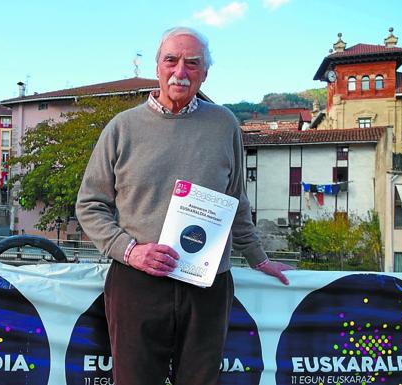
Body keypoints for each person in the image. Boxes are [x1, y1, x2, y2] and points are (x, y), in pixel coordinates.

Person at [76, 26, 293, 385]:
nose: (180, 71)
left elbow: (236, 199)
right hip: (137, 281)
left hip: (207, 286)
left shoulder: (225, 124)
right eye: (171, 60)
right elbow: (90, 205)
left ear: (205, 72)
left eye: (192, 63)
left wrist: (258, 256)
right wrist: (129, 251)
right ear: (158, 68)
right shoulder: (122, 128)